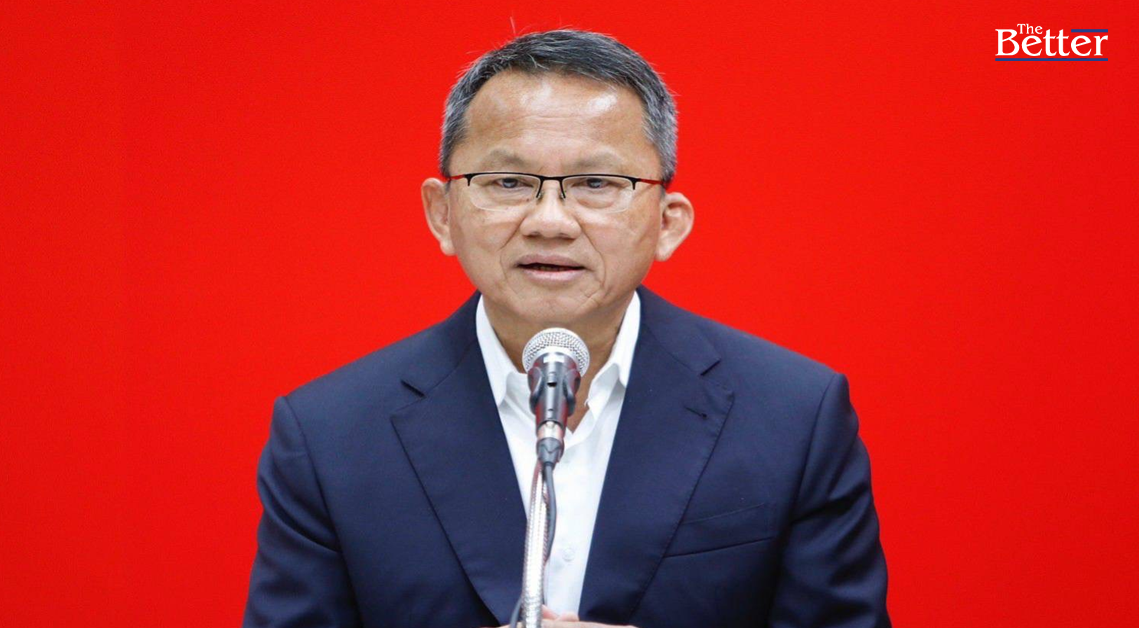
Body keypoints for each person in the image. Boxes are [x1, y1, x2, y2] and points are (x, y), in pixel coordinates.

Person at [242, 29, 891, 628]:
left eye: (596, 183)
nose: (549, 221)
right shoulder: (330, 435)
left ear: (668, 223)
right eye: (508, 182)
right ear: (442, 214)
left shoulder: (793, 416)